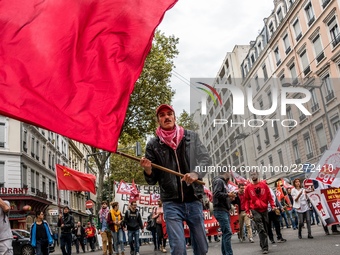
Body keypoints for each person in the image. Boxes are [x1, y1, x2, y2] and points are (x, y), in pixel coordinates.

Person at [140, 104, 210, 255]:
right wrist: (147, 169)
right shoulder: (153, 145)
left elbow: (206, 159)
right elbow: (152, 180)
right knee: (178, 249)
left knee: (202, 248)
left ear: (174, 117)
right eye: (162, 115)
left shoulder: (191, 137)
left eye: (169, 114)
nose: (166, 117)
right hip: (171, 203)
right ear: (158, 120)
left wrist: (196, 174)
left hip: (193, 199)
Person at [244, 170, 276, 255]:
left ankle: (262, 243)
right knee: (261, 228)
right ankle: (265, 248)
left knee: (265, 228)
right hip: (255, 210)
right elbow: (246, 200)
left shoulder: (264, 185)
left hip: (264, 209)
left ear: (258, 175)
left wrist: (273, 206)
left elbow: (270, 197)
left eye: (254, 174)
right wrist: (247, 211)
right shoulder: (248, 188)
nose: (253, 176)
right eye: (251, 175)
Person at [212, 170, 236, 255]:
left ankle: (225, 253)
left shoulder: (222, 182)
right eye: (229, 172)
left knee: (226, 233)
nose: (230, 174)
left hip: (223, 210)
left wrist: (229, 198)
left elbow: (220, 196)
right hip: (220, 210)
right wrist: (228, 195)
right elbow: (217, 194)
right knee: (227, 233)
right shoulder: (219, 181)